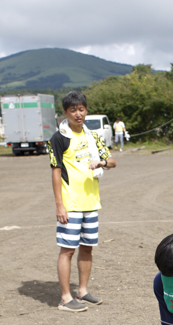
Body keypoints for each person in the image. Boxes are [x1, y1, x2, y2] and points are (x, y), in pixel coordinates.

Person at [48, 91, 116, 312]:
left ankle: (82, 291)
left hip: (91, 202)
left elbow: (113, 161)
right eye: (73, 110)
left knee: (87, 248)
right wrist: (60, 204)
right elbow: (56, 171)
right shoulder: (59, 138)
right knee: (67, 250)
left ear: (86, 110)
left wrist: (102, 162)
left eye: (81, 109)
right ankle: (65, 299)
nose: (78, 114)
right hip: (70, 204)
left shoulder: (92, 136)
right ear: (65, 113)